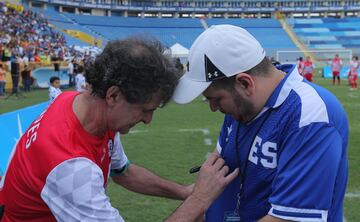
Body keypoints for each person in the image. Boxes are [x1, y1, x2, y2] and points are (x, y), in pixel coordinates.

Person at [0, 37, 238, 221]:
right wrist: (199, 200)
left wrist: (185, 192)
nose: (148, 120)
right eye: (145, 109)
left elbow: (123, 172)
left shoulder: (82, 107)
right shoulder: (70, 167)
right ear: (113, 95)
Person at [173, 25, 349, 222]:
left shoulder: (309, 115)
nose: (213, 108)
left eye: (216, 98)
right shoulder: (242, 106)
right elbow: (218, 173)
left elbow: (290, 219)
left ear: (245, 83)